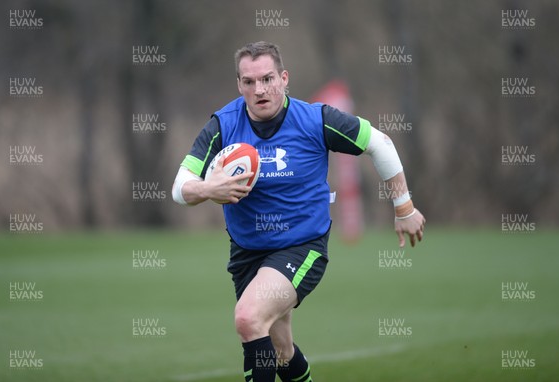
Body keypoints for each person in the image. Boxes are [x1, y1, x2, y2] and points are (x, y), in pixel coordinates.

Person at [172, 41, 425, 382]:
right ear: (239, 85)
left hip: (301, 247)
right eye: (249, 82)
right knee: (281, 352)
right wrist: (208, 189)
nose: (259, 89)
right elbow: (179, 186)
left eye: (267, 78)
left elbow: (380, 144)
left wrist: (404, 206)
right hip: (246, 252)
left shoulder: (314, 120)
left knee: (248, 319)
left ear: (284, 78)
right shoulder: (224, 124)